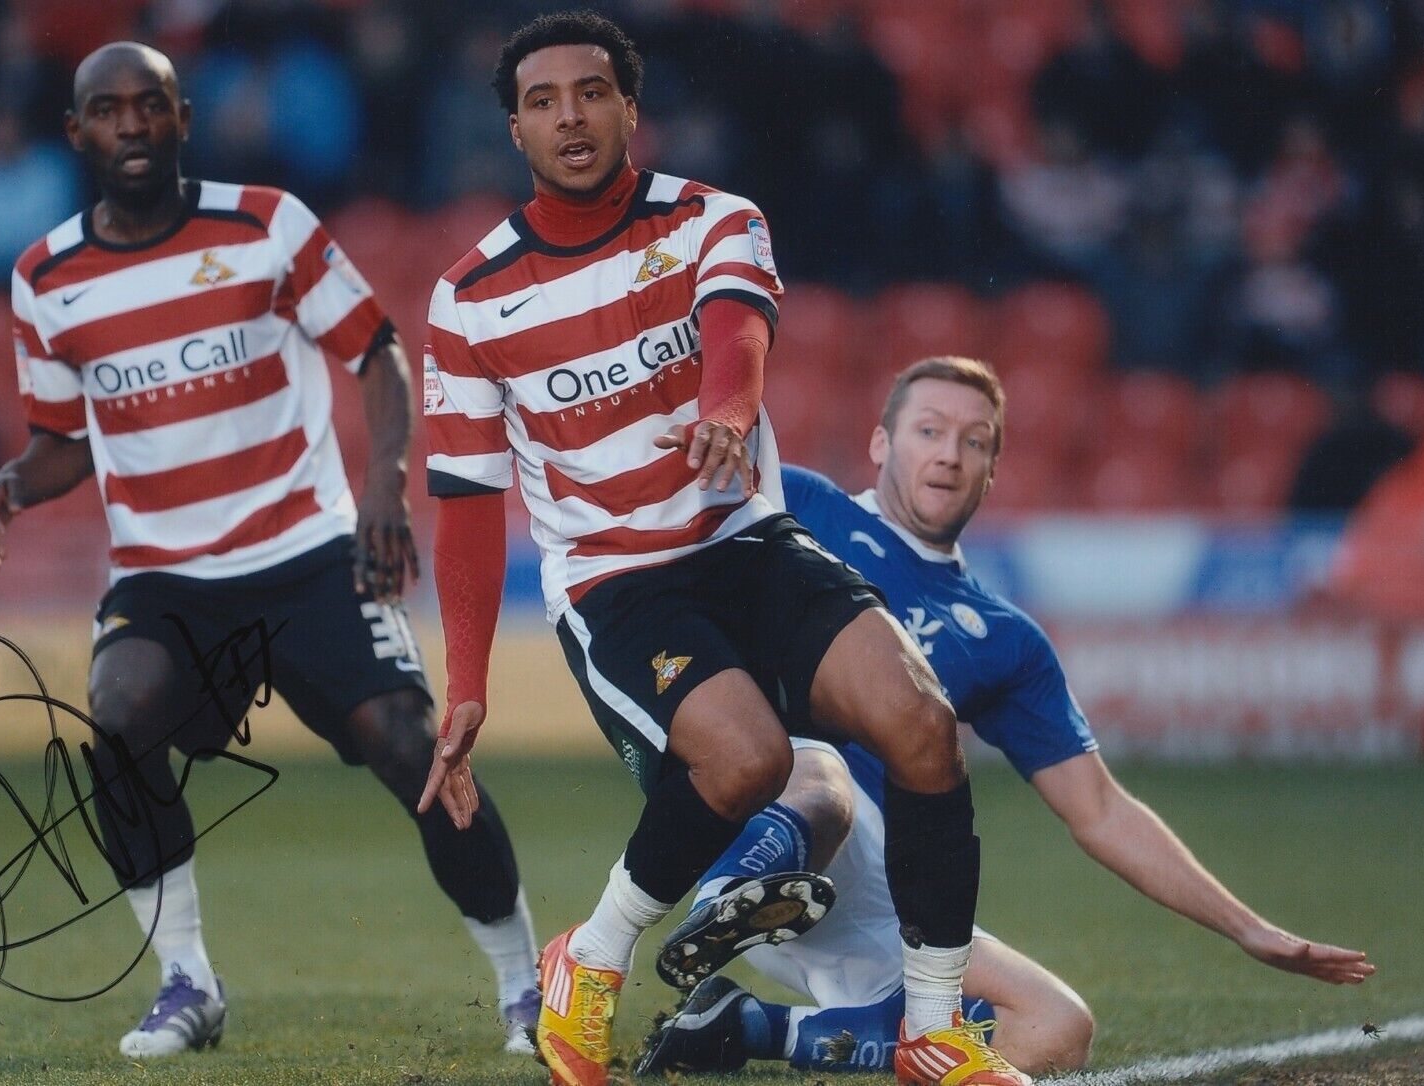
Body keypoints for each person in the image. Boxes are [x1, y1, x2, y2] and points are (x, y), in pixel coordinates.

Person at [416, 12, 1024, 1086]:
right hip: (618, 582)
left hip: (748, 539)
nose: (571, 115)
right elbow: (465, 502)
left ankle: (932, 1033)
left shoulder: (711, 218)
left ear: (629, 110)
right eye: (544, 100)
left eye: (592, 93)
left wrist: (729, 416)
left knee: (924, 727)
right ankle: (589, 962)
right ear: (514, 128)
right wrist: (464, 682)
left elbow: (737, 325)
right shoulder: (468, 300)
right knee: (747, 762)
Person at [0, 42, 539, 1061]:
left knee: (414, 749)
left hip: (305, 550)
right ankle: (187, 982)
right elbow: (64, 441)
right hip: (164, 575)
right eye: (109, 110)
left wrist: (380, 491)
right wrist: (19, 482)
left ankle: (523, 987)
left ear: (184, 117)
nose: (133, 124)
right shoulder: (44, 278)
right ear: (78, 133)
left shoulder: (267, 224)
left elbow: (376, 351)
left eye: (151, 105)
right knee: (117, 716)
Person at [638, 357, 1376, 1078]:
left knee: (1056, 1030)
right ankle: (726, 898)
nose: (950, 455)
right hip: (761, 808)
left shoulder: (1004, 638)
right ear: (880, 444)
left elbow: (1101, 810)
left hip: (877, 886)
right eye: (929, 430)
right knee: (818, 767)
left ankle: (742, 1027)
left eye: (974, 440)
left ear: (993, 468)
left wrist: (1250, 929)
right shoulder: (798, 504)